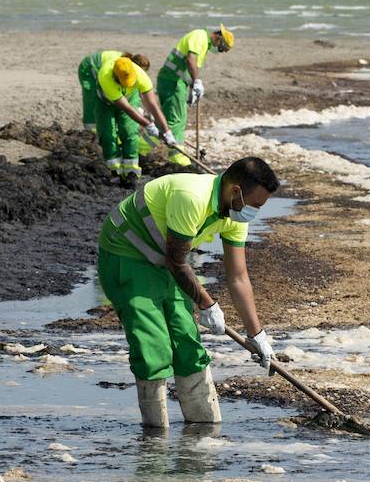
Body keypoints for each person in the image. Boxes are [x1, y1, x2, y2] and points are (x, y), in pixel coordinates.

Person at [96, 156, 278, 428]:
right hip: (127, 253)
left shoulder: (234, 214)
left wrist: (257, 335)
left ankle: (205, 431)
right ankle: (156, 440)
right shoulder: (191, 197)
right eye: (255, 205)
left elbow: (238, 277)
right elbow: (177, 261)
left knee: (187, 341)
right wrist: (207, 304)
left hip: (165, 258)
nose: (254, 212)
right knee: (153, 346)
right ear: (236, 191)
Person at [86, 53, 175, 186]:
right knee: (107, 134)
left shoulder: (140, 75)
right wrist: (148, 125)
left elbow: (153, 105)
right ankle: (114, 171)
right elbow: (127, 109)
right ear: (116, 77)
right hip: (105, 102)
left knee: (129, 132)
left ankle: (131, 172)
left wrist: (167, 131)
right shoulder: (105, 76)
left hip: (129, 98)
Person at [155, 25, 233, 167]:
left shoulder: (203, 43)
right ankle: (175, 155)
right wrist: (197, 81)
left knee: (174, 118)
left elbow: (191, 68)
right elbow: (190, 60)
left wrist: (192, 88)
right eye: (221, 48)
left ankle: (155, 148)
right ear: (219, 38)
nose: (219, 51)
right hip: (173, 81)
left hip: (176, 81)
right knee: (176, 119)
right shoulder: (200, 37)